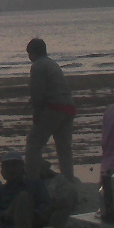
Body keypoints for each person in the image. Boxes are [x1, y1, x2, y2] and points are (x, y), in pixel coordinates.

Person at [25, 38, 76, 181]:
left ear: (33, 53)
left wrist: (36, 112)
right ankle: (69, 179)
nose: (29, 58)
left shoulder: (37, 66)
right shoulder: (52, 64)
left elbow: (37, 92)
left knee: (33, 144)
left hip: (53, 108)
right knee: (64, 147)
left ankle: (32, 179)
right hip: (69, 107)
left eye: (29, 54)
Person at [0, 152, 51, 228]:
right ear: (2, 172)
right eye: (7, 166)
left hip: (33, 226)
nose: (11, 169)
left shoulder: (35, 185)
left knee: (23, 197)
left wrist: (27, 215)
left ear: (22, 168)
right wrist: (5, 215)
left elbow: (45, 208)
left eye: (14, 165)